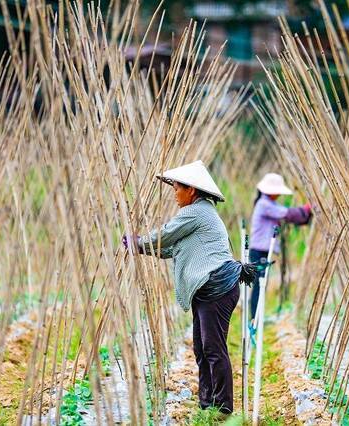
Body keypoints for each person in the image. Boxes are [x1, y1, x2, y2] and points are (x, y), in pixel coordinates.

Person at [123, 160, 256, 416]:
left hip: (217, 286)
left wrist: (138, 241)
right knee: (201, 347)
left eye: (177, 188)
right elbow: (169, 248)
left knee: (213, 348)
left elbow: (165, 234)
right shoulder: (200, 213)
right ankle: (206, 404)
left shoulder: (196, 212)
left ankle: (223, 408)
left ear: (191, 191)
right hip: (207, 289)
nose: (174, 193)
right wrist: (141, 247)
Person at [249, 173, 313, 318]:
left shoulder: (270, 204)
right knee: (259, 284)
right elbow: (288, 214)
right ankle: (254, 318)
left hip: (262, 250)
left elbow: (289, 216)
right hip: (259, 251)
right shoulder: (264, 204)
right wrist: (307, 209)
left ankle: (256, 317)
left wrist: (304, 215)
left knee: (261, 284)